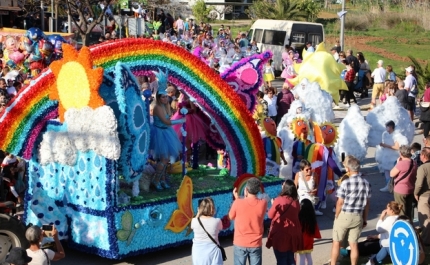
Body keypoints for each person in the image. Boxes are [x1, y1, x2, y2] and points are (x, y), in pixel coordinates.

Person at [330, 155, 371, 265]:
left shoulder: (345, 183)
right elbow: (367, 203)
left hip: (345, 214)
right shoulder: (366, 183)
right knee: (353, 245)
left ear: (348, 169)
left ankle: (333, 263)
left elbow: (340, 202)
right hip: (358, 215)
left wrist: (337, 215)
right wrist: (364, 218)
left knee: (336, 242)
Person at [149, 71, 184, 191]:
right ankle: (156, 180)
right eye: (163, 96)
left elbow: (169, 117)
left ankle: (163, 180)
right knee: (163, 159)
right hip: (160, 133)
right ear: (158, 97)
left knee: (166, 159)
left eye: (166, 96)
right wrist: (180, 121)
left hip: (166, 132)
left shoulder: (165, 106)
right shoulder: (157, 107)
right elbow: (167, 122)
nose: (165, 98)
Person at [229, 177, 267, 265]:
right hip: (256, 243)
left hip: (240, 242)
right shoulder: (263, 203)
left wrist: (237, 198)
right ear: (258, 191)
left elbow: (231, 216)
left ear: (246, 190)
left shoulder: (238, 202)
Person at [266, 179, 303, 265]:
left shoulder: (279, 200)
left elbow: (270, 215)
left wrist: (273, 204)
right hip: (293, 234)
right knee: (291, 259)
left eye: (283, 184)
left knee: (281, 260)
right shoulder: (296, 201)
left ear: (285, 188)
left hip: (281, 234)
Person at [376, 120, 408, 192]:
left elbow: (397, 147)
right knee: (386, 170)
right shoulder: (386, 134)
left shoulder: (396, 135)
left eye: (387, 126)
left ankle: (392, 186)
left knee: (393, 171)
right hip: (386, 155)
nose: (386, 128)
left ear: (391, 127)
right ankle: (388, 185)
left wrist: (385, 145)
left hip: (393, 156)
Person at [191, 197, 223, 265]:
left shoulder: (194, 221)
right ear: (213, 209)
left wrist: (198, 212)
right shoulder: (217, 221)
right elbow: (220, 228)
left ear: (200, 209)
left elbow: (192, 226)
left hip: (198, 252)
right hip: (213, 252)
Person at [390, 145, 417, 220]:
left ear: (401, 153)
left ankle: (403, 227)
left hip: (400, 190)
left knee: (401, 211)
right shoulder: (413, 162)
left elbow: (391, 174)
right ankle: (410, 226)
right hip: (411, 188)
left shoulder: (401, 164)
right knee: (409, 210)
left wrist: (397, 163)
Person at [297, 198, 321, 265]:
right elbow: (316, 231)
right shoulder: (312, 219)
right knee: (309, 256)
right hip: (309, 241)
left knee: (302, 257)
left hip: (301, 241)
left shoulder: (299, 219)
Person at [414, 147, 430, 245]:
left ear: (423, 156)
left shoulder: (422, 168)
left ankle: (426, 240)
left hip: (425, 195)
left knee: (426, 220)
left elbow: (419, 183)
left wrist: (416, 193)